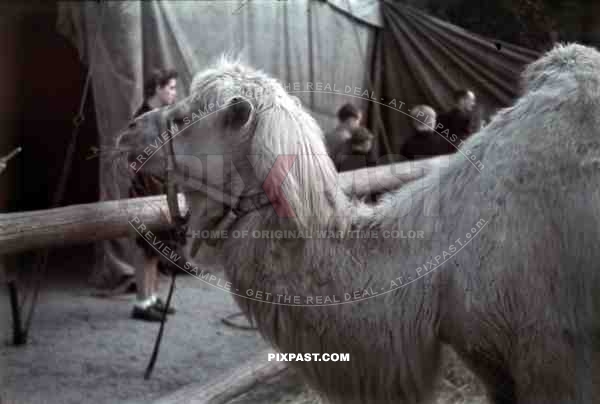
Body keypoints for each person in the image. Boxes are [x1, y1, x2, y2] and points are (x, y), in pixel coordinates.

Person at [129, 68, 179, 322]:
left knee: (153, 248)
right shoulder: (142, 119)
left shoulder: (161, 116)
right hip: (143, 191)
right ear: (157, 88)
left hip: (159, 190)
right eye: (170, 87)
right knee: (143, 247)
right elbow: (136, 160)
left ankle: (151, 297)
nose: (174, 92)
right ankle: (141, 302)